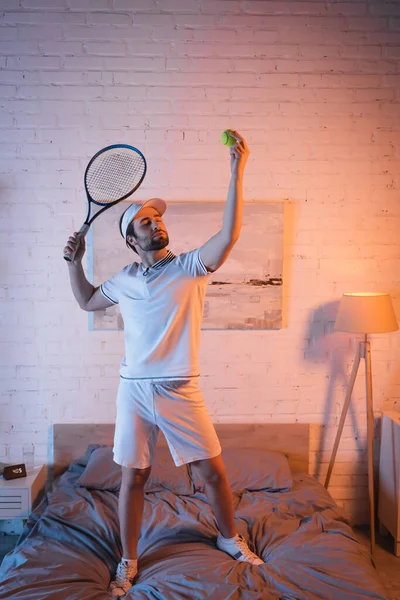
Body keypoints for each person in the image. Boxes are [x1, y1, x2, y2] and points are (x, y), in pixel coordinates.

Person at [63, 130, 263, 597]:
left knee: (213, 472)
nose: (156, 226)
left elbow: (228, 234)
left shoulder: (190, 266)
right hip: (133, 390)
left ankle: (228, 537)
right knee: (134, 476)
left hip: (180, 388)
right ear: (133, 240)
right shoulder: (124, 280)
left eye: (157, 220)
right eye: (146, 223)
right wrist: (74, 264)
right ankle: (128, 561)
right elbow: (87, 301)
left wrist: (236, 171)